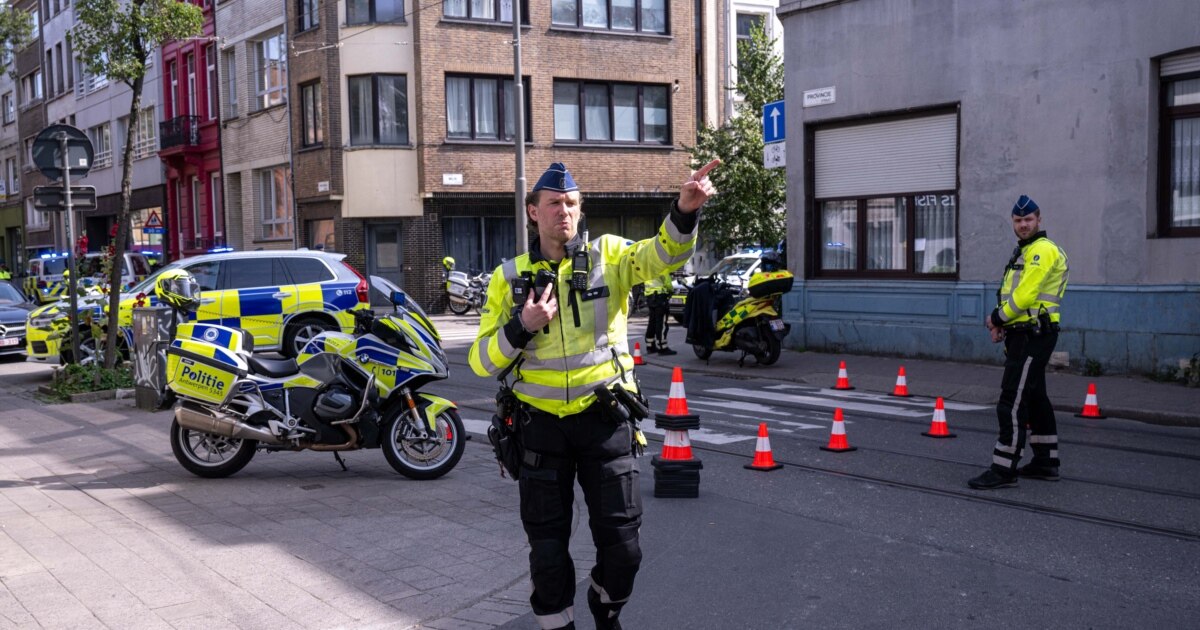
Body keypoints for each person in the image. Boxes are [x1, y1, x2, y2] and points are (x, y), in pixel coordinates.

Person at [470, 160, 719, 630]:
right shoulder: (509, 278)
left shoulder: (609, 256)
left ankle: (606, 608)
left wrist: (684, 212)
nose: (563, 211)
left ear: (580, 210)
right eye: (553, 204)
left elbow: (661, 254)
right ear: (532, 212)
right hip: (540, 430)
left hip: (604, 422)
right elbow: (482, 362)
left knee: (624, 548)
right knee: (547, 556)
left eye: (570, 203)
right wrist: (521, 327)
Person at [969, 195, 1070, 490]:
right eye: (1018, 220)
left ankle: (1003, 469)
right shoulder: (1024, 250)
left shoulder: (1041, 250)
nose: (1023, 224)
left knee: (1011, 400)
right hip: (1024, 332)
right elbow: (1013, 294)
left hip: (1033, 335)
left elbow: (1025, 296)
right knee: (1035, 397)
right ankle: (1045, 461)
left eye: (1028, 220)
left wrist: (996, 319)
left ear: (1039, 220)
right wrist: (1004, 324)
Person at [642, 269, 676, 355]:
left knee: (652, 322)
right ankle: (662, 347)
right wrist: (671, 290)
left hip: (650, 297)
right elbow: (667, 282)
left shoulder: (647, 268)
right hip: (660, 297)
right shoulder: (661, 266)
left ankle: (650, 346)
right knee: (661, 323)